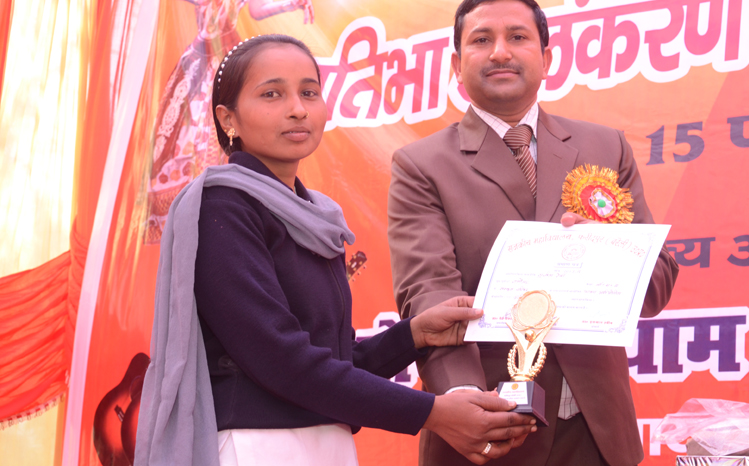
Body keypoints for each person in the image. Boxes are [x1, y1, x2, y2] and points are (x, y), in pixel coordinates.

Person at [134, 34, 538, 466]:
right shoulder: (223, 207)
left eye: (309, 92)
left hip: (328, 443)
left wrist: (414, 335)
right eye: (272, 94)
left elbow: (335, 362)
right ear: (227, 118)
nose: (298, 109)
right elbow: (282, 360)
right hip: (256, 447)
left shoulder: (315, 215)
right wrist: (433, 413)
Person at [388, 0, 680, 466]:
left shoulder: (606, 147)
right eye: (482, 40)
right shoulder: (421, 165)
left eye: (517, 37)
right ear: (457, 65)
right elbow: (429, 292)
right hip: (489, 428)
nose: (500, 52)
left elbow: (655, 288)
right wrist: (465, 398)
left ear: (546, 58)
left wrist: (607, 248)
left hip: (598, 432)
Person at [144, 0, 320, 243]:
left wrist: (291, 3)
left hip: (219, 61)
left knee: (209, 139)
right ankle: (176, 222)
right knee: (171, 137)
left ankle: (211, 220)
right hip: (195, 60)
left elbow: (260, 8)